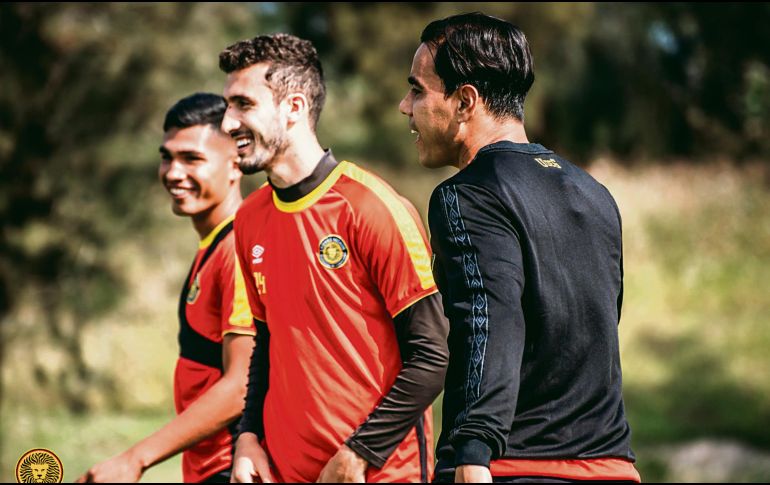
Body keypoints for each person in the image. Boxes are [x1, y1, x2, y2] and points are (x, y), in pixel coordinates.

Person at [399, 12, 640, 483]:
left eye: (418, 90)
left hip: (508, 469)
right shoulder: (594, 193)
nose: (404, 107)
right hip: (614, 468)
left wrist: (471, 453)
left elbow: (488, 321)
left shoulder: (467, 194)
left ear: (465, 100)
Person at [218, 33, 449, 483]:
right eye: (227, 106)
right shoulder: (249, 219)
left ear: (295, 107)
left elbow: (433, 356)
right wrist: (248, 436)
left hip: (379, 473)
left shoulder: (373, 207)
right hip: (286, 472)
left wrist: (358, 454)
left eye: (243, 105)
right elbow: (267, 346)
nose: (227, 123)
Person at [77, 93, 255, 483]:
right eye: (167, 157)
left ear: (235, 163)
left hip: (233, 471)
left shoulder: (240, 249)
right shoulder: (215, 243)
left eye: (192, 159)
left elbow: (241, 383)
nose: (173, 173)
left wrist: (136, 459)